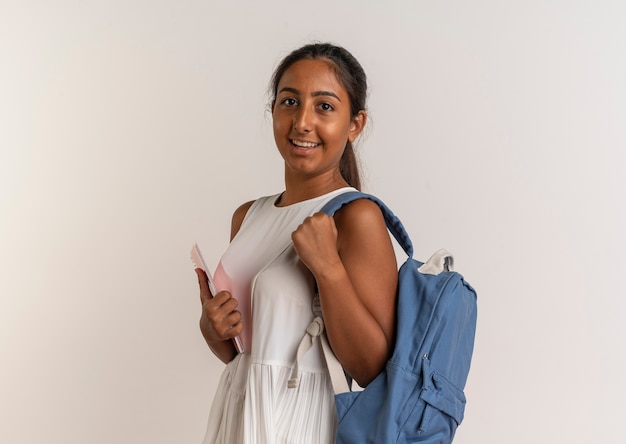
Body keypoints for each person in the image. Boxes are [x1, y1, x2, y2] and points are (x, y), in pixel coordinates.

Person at [195, 42, 398, 444]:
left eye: (324, 106)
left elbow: (372, 368)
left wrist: (328, 270)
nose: (302, 122)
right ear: (273, 111)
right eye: (290, 101)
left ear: (354, 124)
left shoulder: (356, 216)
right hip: (239, 412)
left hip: (303, 423)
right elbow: (251, 354)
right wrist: (212, 329)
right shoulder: (248, 215)